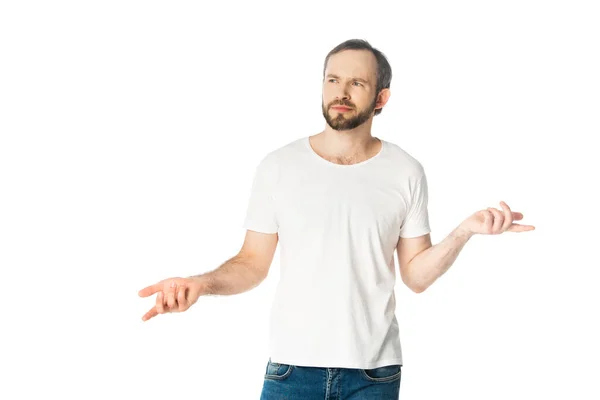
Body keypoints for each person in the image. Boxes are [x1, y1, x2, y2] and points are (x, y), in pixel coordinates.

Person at [138, 39, 535, 399]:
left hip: (374, 375)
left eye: (357, 83)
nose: (341, 93)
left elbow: (415, 275)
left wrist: (464, 232)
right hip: (291, 371)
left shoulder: (405, 171)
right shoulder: (278, 167)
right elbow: (252, 264)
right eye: (332, 80)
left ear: (381, 98)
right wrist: (199, 284)